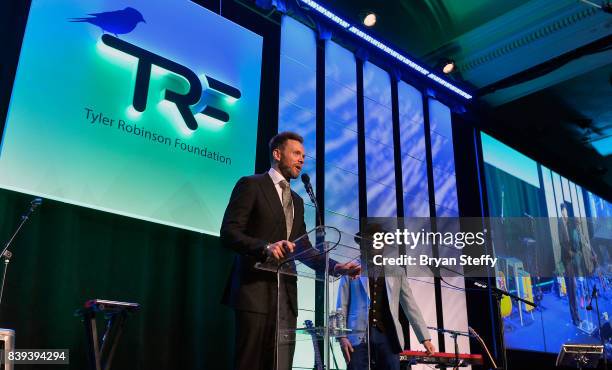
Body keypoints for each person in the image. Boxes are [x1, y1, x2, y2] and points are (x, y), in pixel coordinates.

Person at [220, 131, 361, 370]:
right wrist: (265, 247)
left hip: (286, 296)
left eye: (303, 156)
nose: (302, 160)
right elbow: (229, 232)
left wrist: (335, 266)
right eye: (296, 153)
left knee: (282, 364)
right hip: (255, 292)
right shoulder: (251, 185)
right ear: (277, 154)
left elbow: (303, 248)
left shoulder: (296, 200)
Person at [337, 224, 436, 370]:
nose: (374, 245)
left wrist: (424, 338)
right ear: (362, 244)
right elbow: (341, 305)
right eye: (369, 241)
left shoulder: (396, 271)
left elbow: (410, 305)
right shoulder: (350, 268)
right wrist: (342, 336)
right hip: (357, 334)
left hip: (388, 335)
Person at [559, 201, 581, 326]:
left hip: (571, 260)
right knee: (571, 289)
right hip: (566, 260)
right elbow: (563, 242)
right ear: (562, 211)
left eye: (567, 211)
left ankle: (577, 315)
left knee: (574, 288)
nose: (566, 213)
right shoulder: (559, 222)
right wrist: (571, 252)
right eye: (565, 211)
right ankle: (574, 317)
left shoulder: (568, 224)